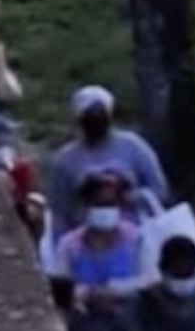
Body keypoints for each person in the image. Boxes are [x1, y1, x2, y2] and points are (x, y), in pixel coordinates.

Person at [51, 173, 146, 331]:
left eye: (111, 204)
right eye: (99, 204)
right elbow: (59, 288)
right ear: (85, 206)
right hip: (83, 324)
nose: (105, 210)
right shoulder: (69, 245)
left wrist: (114, 291)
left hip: (130, 322)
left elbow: (150, 279)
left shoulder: (136, 239)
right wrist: (88, 295)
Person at [48, 85, 169, 240]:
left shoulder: (133, 146)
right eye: (90, 115)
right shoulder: (65, 159)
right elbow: (60, 212)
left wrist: (129, 197)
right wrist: (60, 246)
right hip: (86, 241)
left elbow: (160, 190)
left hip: (137, 237)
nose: (96, 120)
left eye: (101, 113)